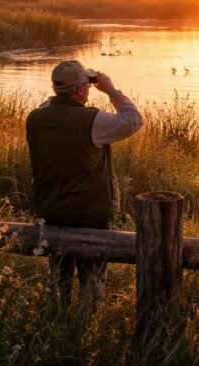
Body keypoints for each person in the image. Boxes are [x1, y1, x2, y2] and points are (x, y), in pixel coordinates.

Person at [26, 60, 143, 307]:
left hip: (52, 212)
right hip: (90, 215)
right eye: (87, 85)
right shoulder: (93, 122)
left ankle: (57, 319)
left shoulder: (35, 118)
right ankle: (85, 326)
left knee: (59, 278)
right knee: (92, 282)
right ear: (80, 90)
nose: (89, 89)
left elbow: (50, 105)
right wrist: (112, 91)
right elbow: (133, 120)